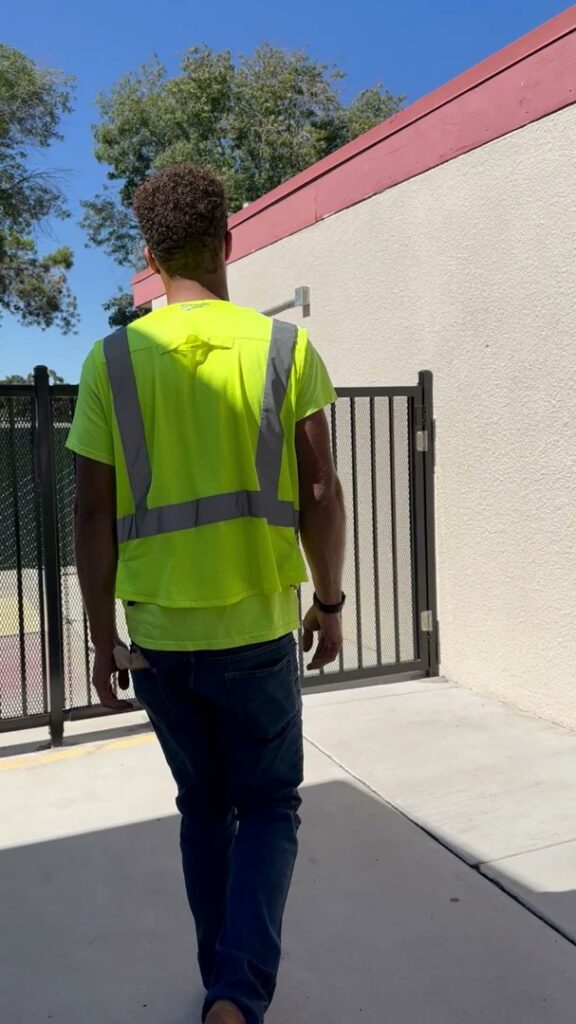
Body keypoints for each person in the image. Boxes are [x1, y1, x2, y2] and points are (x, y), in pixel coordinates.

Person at [67, 164, 346, 1024]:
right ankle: (237, 993)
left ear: (148, 255)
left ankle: (222, 978)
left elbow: (90, 511)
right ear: (228, 240)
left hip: (158, 639)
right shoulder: (284, 349)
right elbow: (323, 491)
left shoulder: (110, 361)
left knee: (203, 808)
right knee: (266, 806)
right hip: (258, 629)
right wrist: (329, 604)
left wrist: (100, 636)